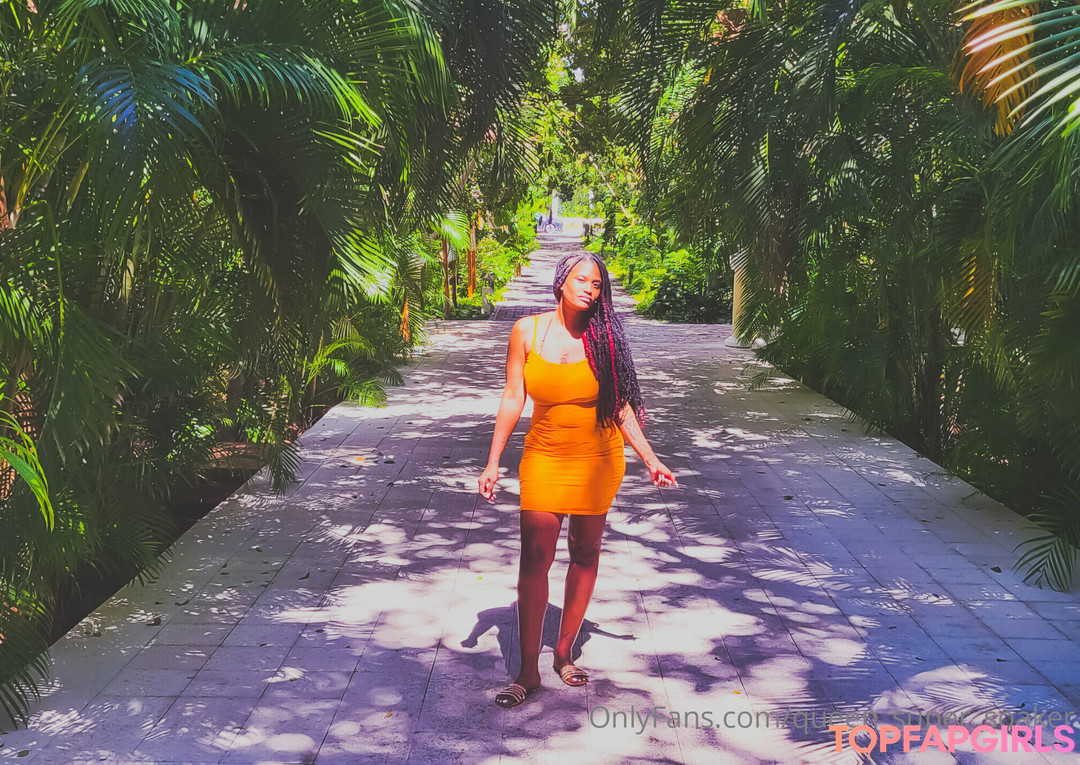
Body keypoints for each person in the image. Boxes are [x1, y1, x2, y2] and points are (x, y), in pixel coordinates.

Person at [478, 251, 677, 708]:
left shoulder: (603, 339)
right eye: (582, 279)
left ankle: (564, 652)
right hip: (544, 456)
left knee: (585, 552)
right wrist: (493, 461)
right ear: (561, 281)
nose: (590, 288)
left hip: (597, 459)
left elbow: (621, 406)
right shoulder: (526, 331)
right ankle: (527, 671)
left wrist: (650, 458)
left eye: (597, 283)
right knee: (535, 556)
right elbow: (512, 396)